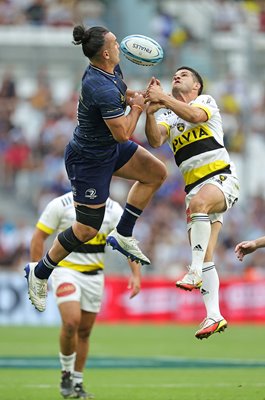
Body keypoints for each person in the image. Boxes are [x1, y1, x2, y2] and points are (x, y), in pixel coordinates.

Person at [24, 25, 167, 313]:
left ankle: (123, 234)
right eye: (115, 43)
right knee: (86, 230)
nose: (120, 45)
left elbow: (123, 96)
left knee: (156, 173)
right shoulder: (98, 85)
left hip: (107, 149)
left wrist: (140, 96)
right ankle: (39, 273)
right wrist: (138, 108)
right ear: (105, 52)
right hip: (89, 160)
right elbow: (123, 134)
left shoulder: (109, 71)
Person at [144, 66, 240, 339]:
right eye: (175, 74)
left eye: (184, 74)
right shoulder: (167, 115)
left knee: (198, 207)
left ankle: (194, 271)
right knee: (206, 253)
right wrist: (150, 114)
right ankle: (214, 315)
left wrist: (163, 97)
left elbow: (195, 116)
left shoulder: (204, 102)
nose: (177, 76)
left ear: (197, 85)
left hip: (220, 179)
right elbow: (154, 140)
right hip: (194, 189)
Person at [30, 191, 142, 399]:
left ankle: (78, 382)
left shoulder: (113, 209)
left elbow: (126, 240)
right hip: (65, 271)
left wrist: (136, 274)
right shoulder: (60, 204)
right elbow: (38, 236)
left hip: (94, 276)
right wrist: (39, 274)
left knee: (84, 332)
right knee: (71, 322)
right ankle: (66, 373)